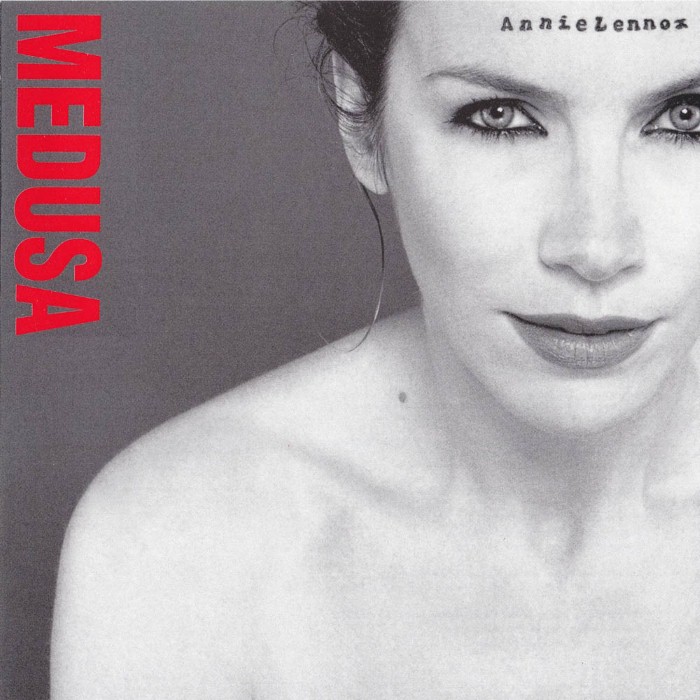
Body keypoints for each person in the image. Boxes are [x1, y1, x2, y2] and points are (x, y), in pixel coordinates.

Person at [51, 2, 700, 697]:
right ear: (363, 120)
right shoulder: (177, 545)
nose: (597, 248)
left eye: (687, 118)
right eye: (501, 116)